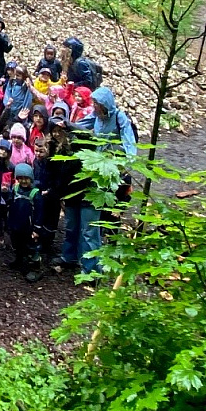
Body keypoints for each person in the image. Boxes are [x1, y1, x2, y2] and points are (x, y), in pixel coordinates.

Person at [61, 85, 137, 277]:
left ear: (104, 104)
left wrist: (122, 167)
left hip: (108, 175)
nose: (93, 105)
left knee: (93, 226)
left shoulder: (119, 119)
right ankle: (76, 259)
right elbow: (81, 125)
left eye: (96, 103)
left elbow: (130, 147)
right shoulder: (96, 116)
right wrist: (66, 124)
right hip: (92, 170)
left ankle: (92, 269)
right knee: (79, 222)